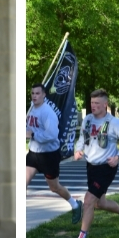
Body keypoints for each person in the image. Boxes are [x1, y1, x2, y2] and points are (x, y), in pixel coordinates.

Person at [67, 89, 119, 238]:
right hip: (91, 166)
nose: (94, 106)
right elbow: (82, 139)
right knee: (100, 203)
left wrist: (118, 157)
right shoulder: (88, 120)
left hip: (106, 167)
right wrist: (78, 150)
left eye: (97, 103)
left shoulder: (114, 123)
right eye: (92, 103)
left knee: (89, 200)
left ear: (105, 104)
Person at [26, 83, 82, 224]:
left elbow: (51, 135)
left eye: (38, 93)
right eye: (33, 93)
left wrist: (32, 135)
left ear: (44, 95)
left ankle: (75, 204)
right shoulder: (32, 108)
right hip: (33, 153)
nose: (34, 96)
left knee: (54, 187)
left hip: (49, 154)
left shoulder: (48, 112)